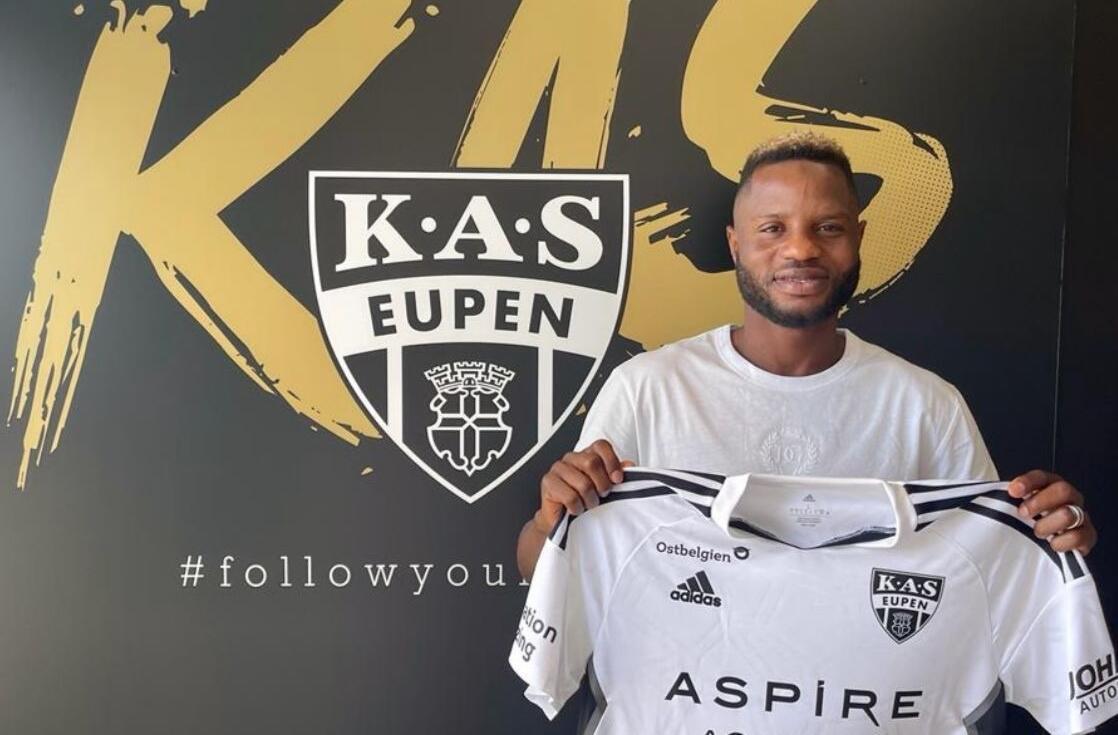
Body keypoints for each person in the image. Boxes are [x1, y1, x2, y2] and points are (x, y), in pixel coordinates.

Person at [516, 131, 1096, 579]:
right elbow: (544, 570)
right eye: (772, 228)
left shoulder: (924, 405)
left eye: (828, 227)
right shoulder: (647, 388)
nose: (800, 248)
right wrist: (551, 521)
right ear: (735, 245)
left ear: (859, 238)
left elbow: (988, 573)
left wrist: (1051, 539)